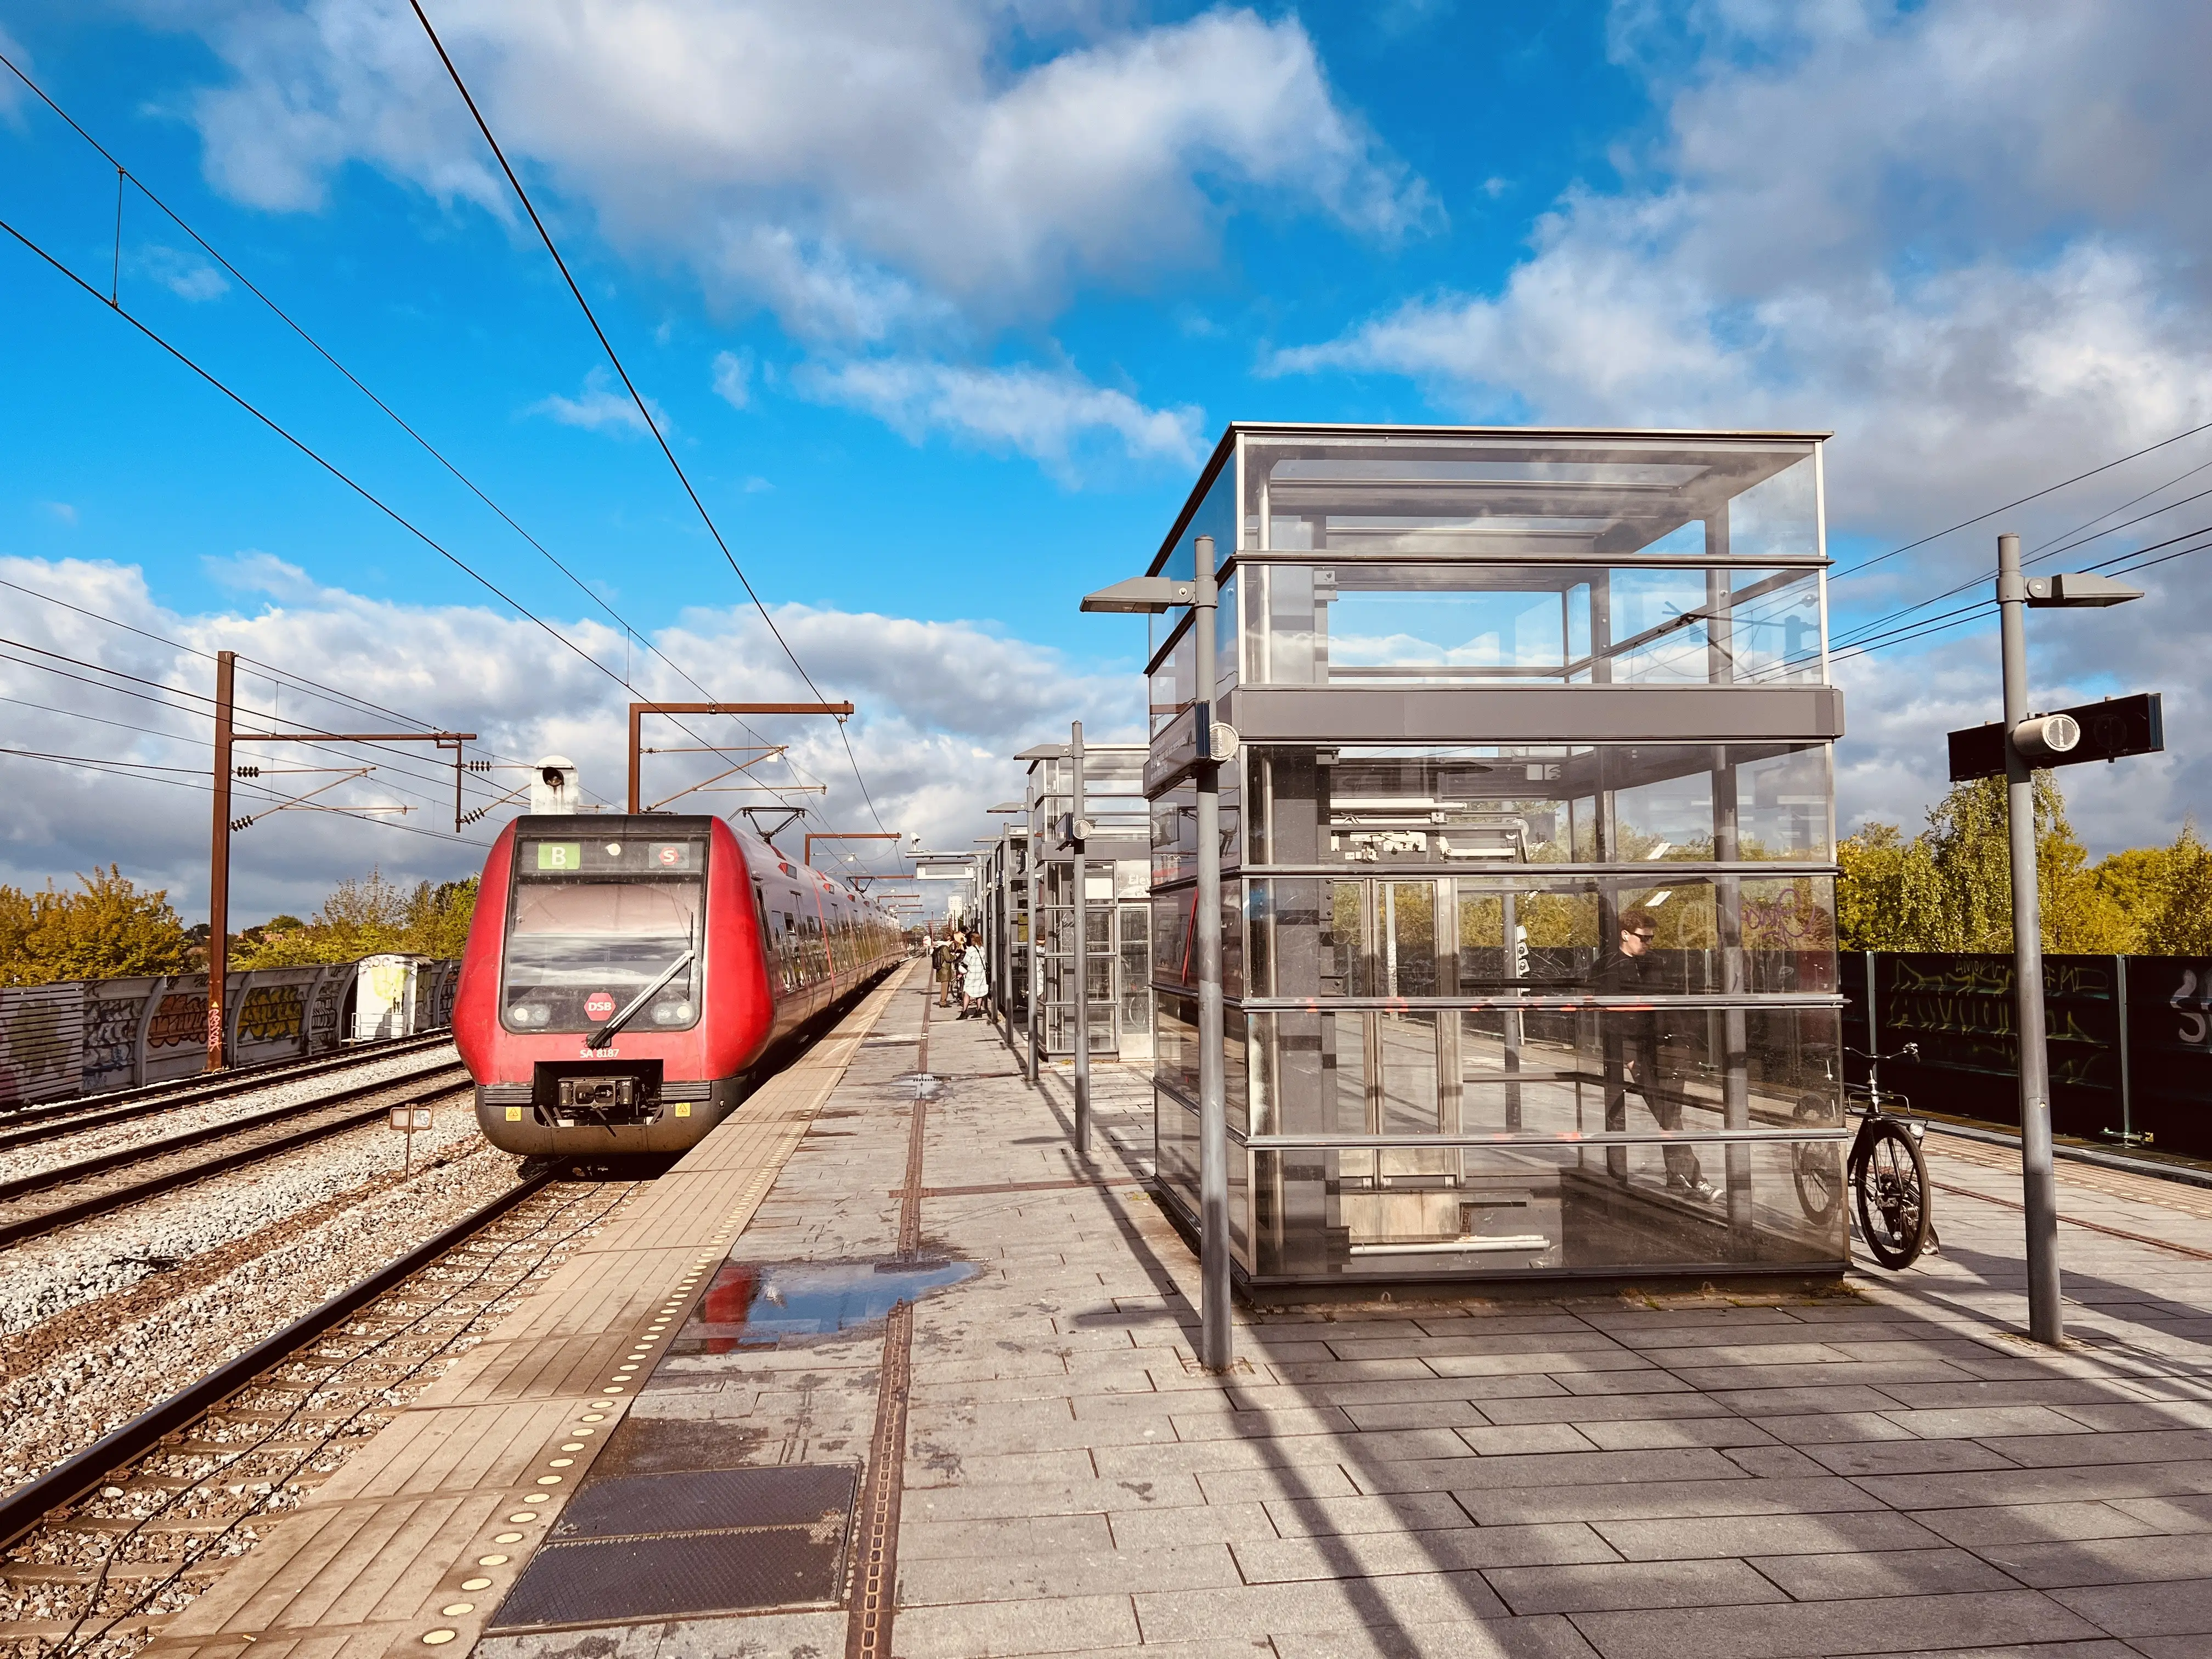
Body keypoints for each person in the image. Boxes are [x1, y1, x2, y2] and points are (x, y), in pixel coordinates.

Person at [1594, 906, 1715, 1201]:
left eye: (1651, 939)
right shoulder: (1609, 966)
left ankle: (1677, 1179)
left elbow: (1670, 1005)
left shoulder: (1656, 963)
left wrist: (1684, 1045)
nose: (1648, 944)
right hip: (1640, 1051)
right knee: (1668, 1116)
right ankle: (1697, 1179)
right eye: (1643, 938)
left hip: (1668, 1048)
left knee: (1671, 1115)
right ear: (1625, 934)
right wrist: (1629, 1056)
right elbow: (1608, 1015)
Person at [959, 934, 988, 1019]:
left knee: (967, 992)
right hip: (981, 973)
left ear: (973, 940)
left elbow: (966, 962)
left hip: (972, 974)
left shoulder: (971, 949)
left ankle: (964, 1012)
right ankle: (979, 1011)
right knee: (979, 992)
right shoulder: (982, 948)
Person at [933, 932, 960, 1007]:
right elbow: (948, 959)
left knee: (946, 986)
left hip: (943, 970)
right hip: (945, 970)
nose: (952, 943)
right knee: (945, 987)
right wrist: (955, 956)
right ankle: (943, 1002)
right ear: (949, 941)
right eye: (952, 941)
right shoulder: (945, 948)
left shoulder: (942, 947)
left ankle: (943, 1001)